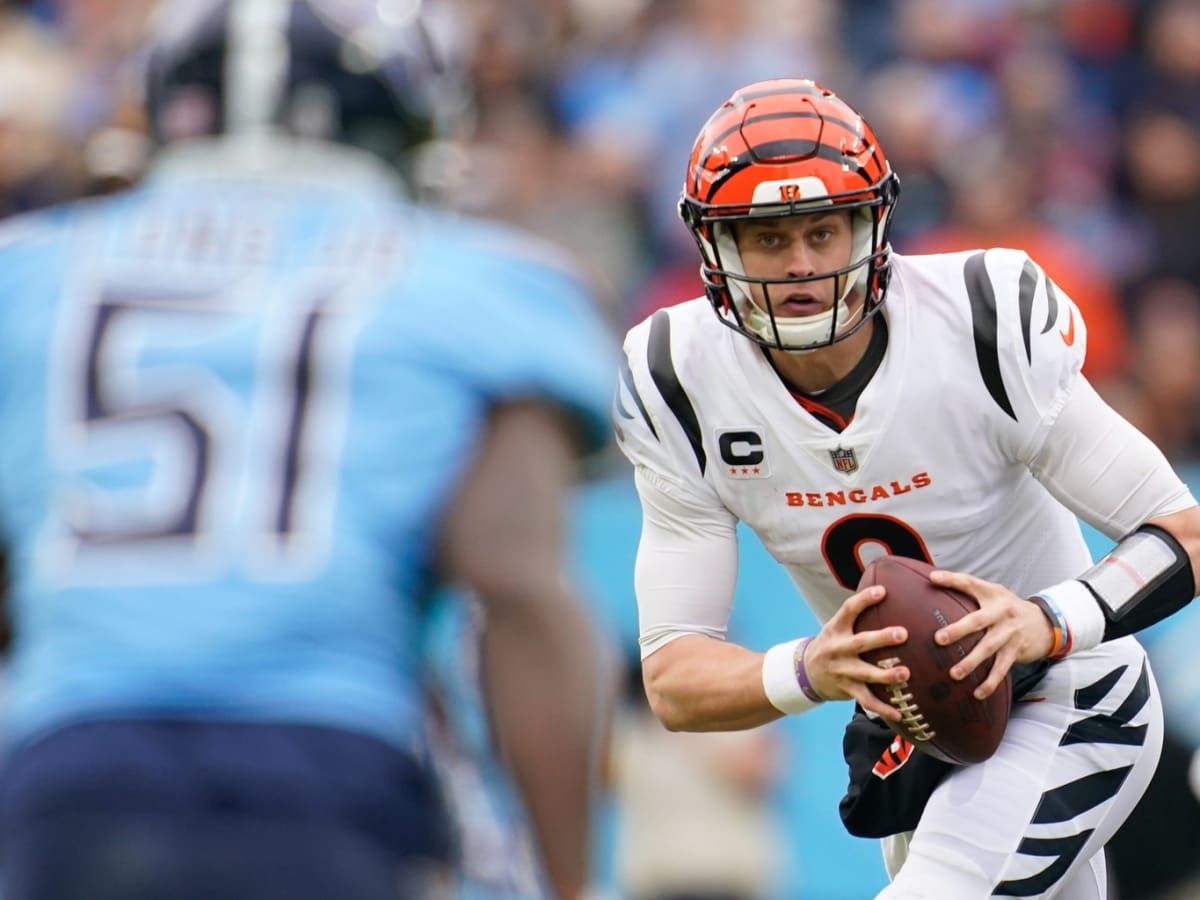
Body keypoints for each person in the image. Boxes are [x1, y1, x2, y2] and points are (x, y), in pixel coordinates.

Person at [0, 2, 616, 899]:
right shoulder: (478, 280)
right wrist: (571, 883)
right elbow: (515, 586)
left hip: (78, 774)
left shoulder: (30, 272)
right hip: (325, 770)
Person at [612, 77, 1200, 899]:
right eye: (768, 239)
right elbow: (675, 677)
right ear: (714, 248)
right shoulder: (677, 376)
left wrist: (1045, 620)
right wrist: (814, 667)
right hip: (928, 733)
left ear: (874, 224)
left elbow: (1183, 530)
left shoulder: (982, 318)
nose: (804, 266)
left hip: (1073, 690)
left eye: (823, 230)